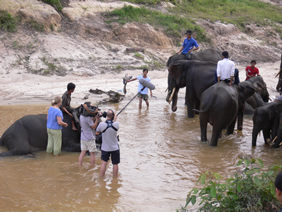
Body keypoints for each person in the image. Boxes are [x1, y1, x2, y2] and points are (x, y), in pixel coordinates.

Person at [96, 110, 120, 177]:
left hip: (105, 148)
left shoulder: (102, 125)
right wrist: (115, 118)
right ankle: (115, 178)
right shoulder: (116, 124)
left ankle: (101, 177)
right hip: (115, 148)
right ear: (113, 116)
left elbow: (97, 133)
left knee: (104, 163)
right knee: (115, 164)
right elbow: (114, 124)